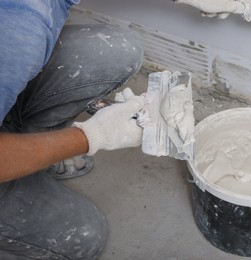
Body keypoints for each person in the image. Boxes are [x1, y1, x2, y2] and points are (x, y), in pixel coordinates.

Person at [0, 0, 145, 259]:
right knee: (84, 236)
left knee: (116, 50)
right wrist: (93, 136)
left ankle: (30, 152)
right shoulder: (18, 31)